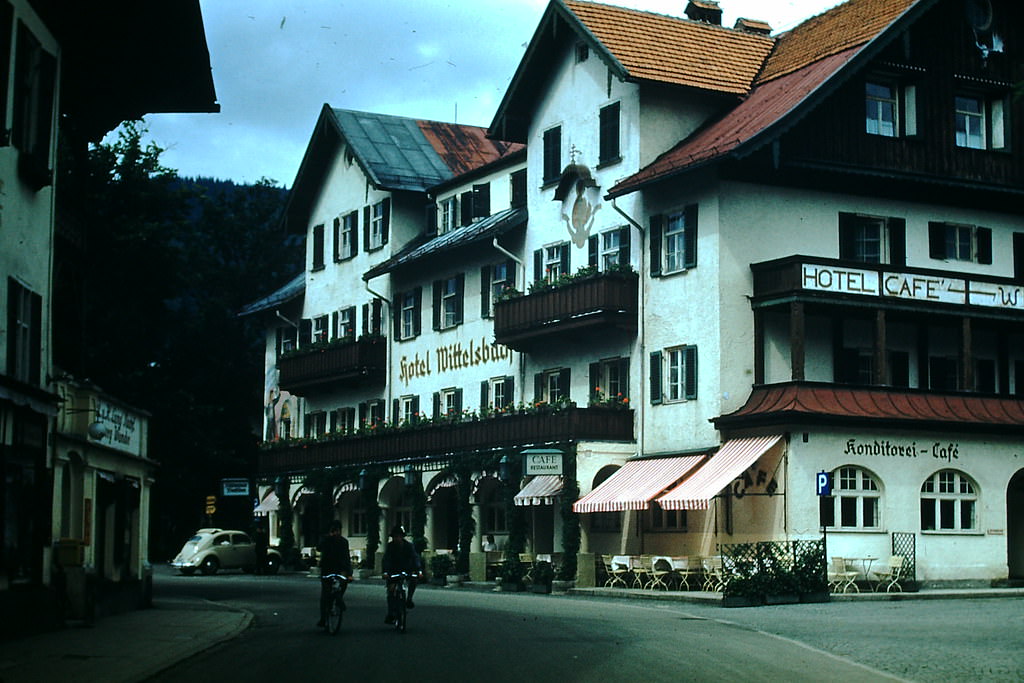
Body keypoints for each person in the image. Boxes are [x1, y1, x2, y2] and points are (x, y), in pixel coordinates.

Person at [381, 524, 422, 623]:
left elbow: (415, 557)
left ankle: (409, 599)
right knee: (391, 589)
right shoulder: (390, 546)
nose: (397, 538)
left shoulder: (409, 546)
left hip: (407, 569)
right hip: (393, 570)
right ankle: (391, 613)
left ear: (402, 537)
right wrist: (385, 572)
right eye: (395, 536)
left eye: (399, 536)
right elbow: (386, 559)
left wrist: (419, 570)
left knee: (414, 579)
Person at [316, 520, 352, 628]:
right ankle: (323, 618)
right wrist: (327, 537)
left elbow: (346, 557)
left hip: (340, 569)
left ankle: (338, 599)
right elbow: (319, 547)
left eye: (337, 530)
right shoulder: (326, 540)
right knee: (325, 594)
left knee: (343, 584)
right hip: (327, 569)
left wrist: (349, 573)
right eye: (334, 531)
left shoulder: (343, 542)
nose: (336, 533)